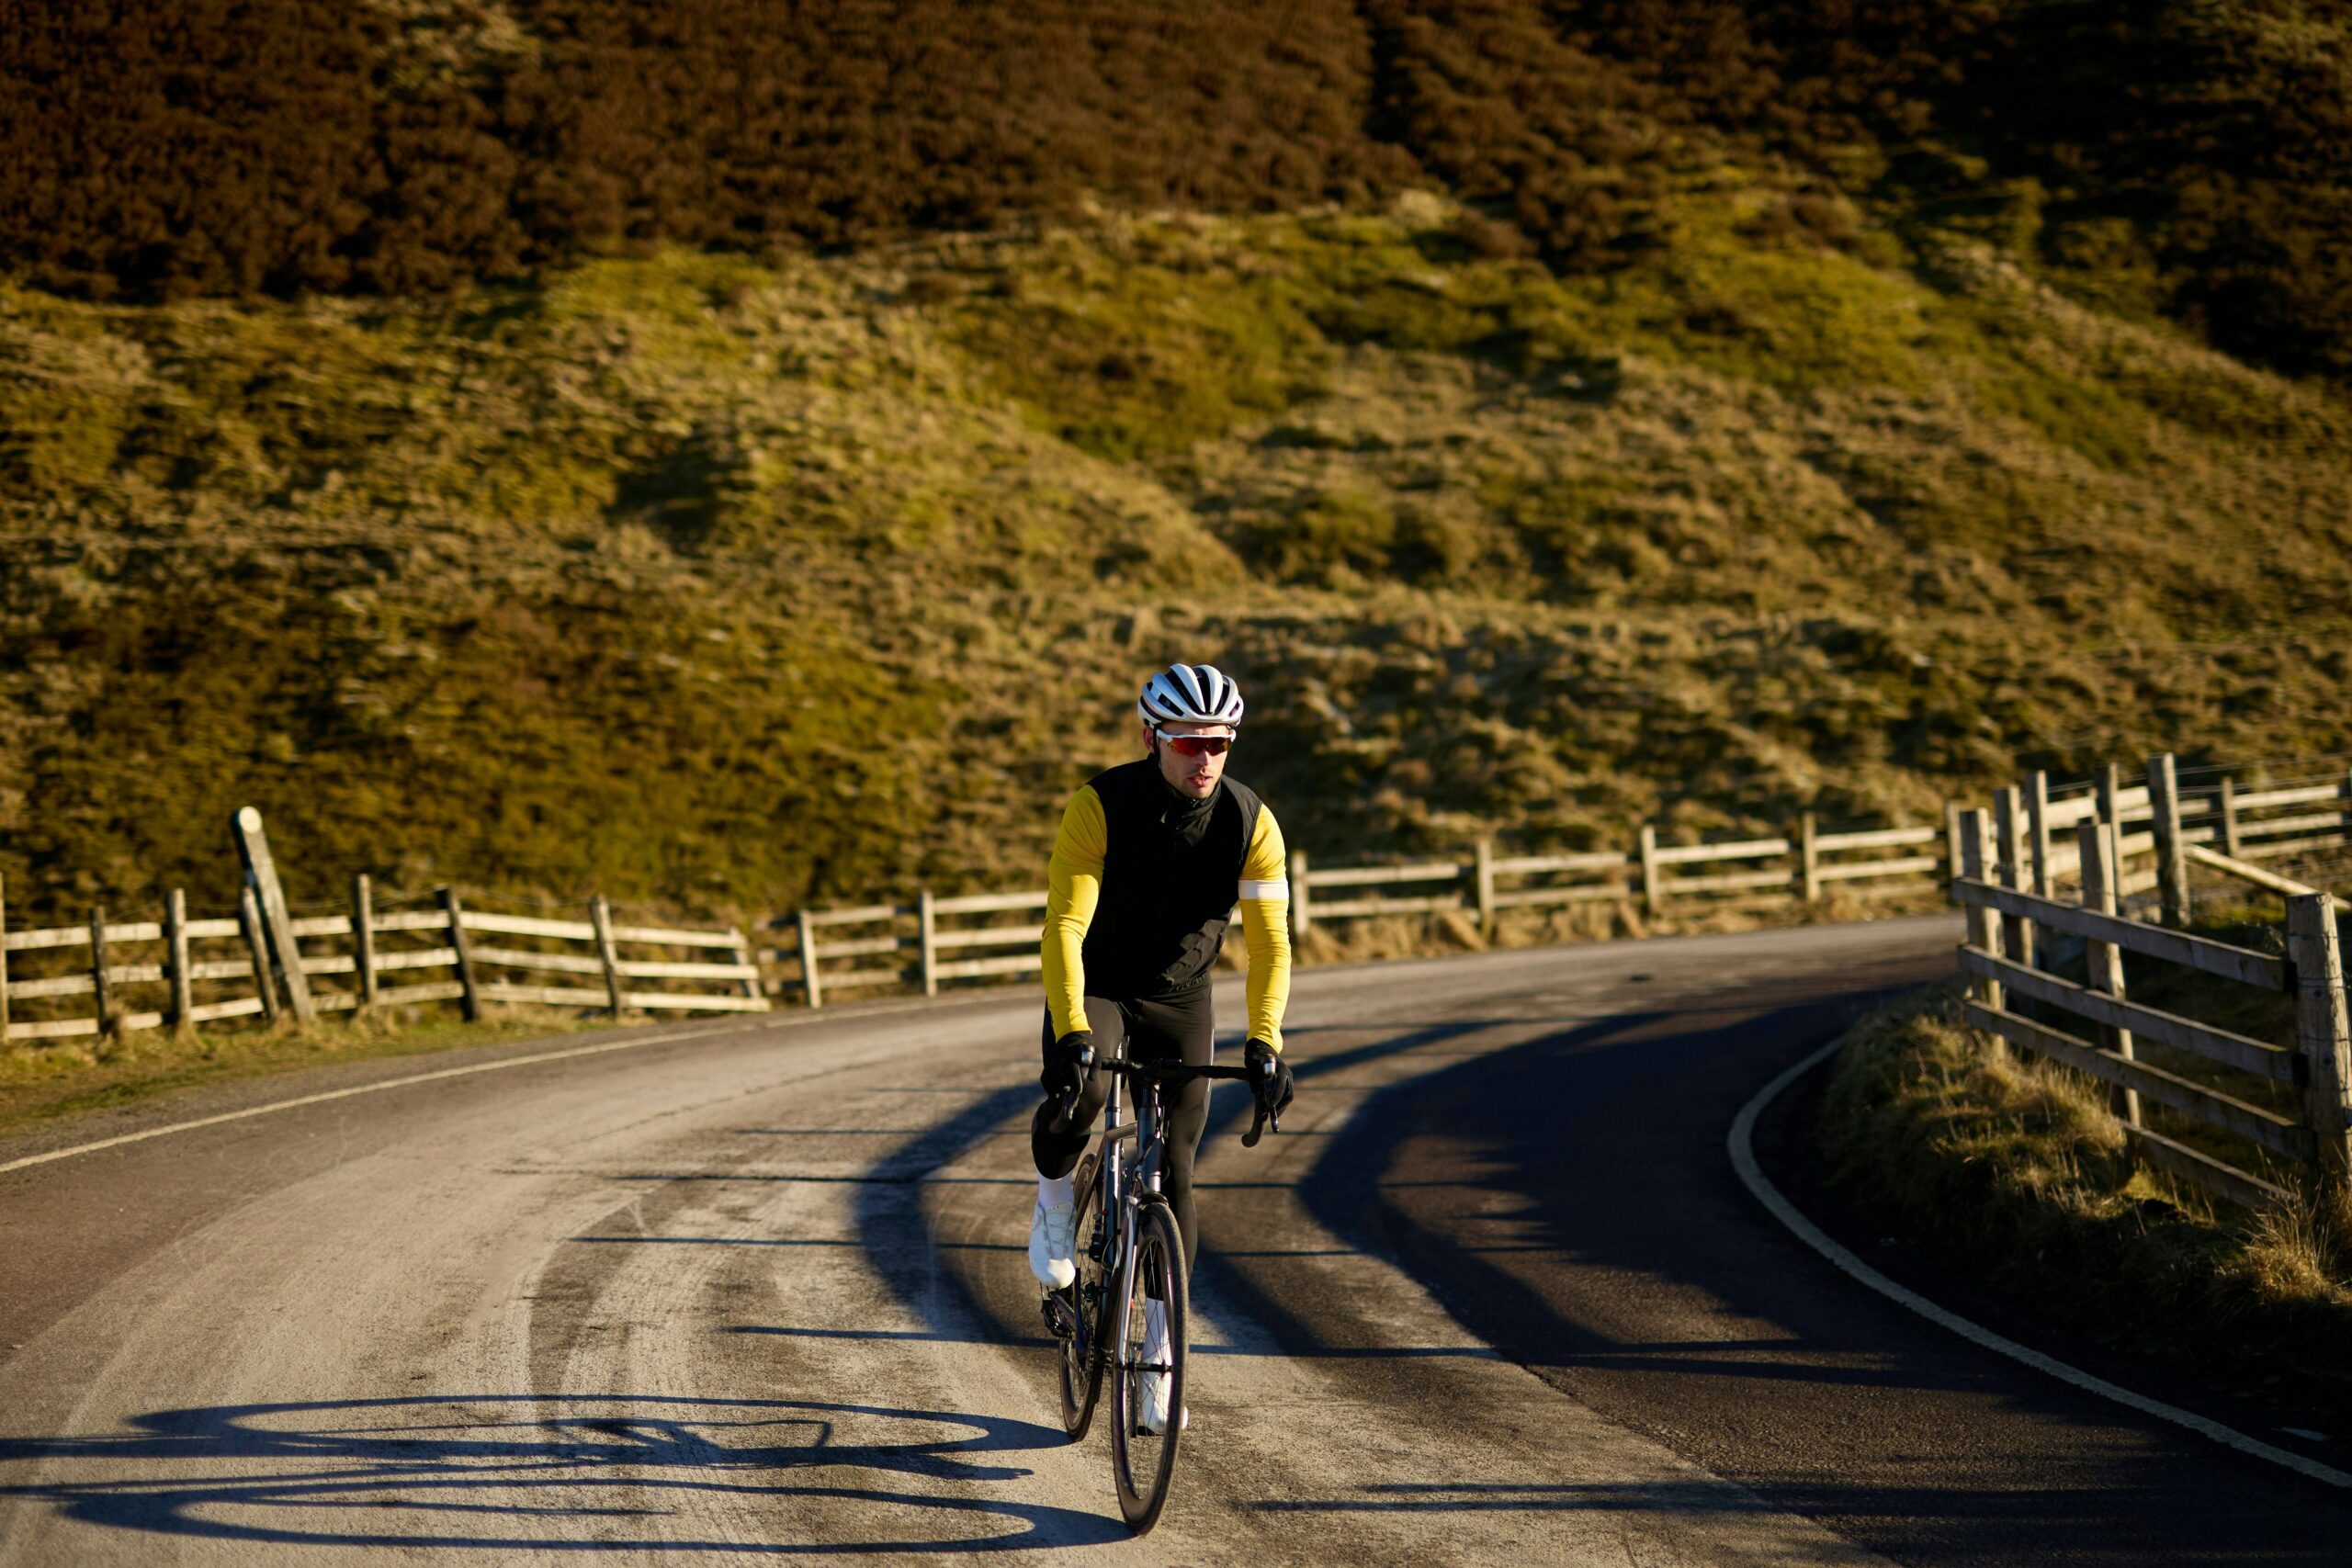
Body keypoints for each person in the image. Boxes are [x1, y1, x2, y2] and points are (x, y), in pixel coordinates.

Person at [1027, 661, 1298, 1434]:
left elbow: (1271, 944)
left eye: (1218, 742)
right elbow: (1065, 928)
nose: (1204, 758)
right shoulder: (1100, 806)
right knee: (1077, 1096)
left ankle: (1162, 1352)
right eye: (1187, 742)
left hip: (1183, 994)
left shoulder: (1253, 823)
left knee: (1177, 1163)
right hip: (1102, 982)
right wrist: (1074, 1029)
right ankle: (1052, 1206)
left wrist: (1265, 1041)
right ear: (1153, 738)